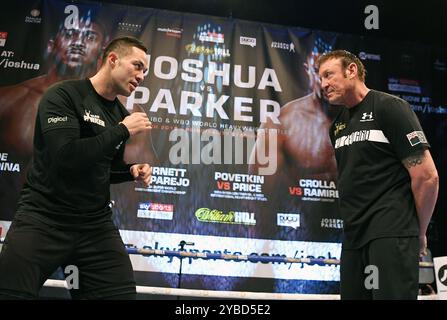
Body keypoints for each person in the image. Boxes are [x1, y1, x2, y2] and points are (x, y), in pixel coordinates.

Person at [0, 36, 153, 299]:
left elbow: (101, 167)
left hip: (94, 225)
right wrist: (121, 131)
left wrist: (129, 171)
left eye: (145, 71)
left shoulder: (119, 115)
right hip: (43, 218)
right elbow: (66, 156)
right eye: (137, 66)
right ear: (113, 59)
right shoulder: (63, 95)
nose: (141, 76)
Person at [317, 50, 439, 299]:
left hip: (391, 231)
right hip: (353, 237)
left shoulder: (390, 108)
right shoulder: (337, 127)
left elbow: (427, 176)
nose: (324, 85)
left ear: (351, 70)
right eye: (320, 79)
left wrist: (419, 231)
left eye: (329, 75)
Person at [0, 14, 108, 222]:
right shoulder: (10, 100)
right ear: (51, 44)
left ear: (102, 51)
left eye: (89, 37)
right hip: (23, 221)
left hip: (84, 226)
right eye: (69, 34)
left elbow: (135, 184)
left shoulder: (120, 110)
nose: (78, 43)